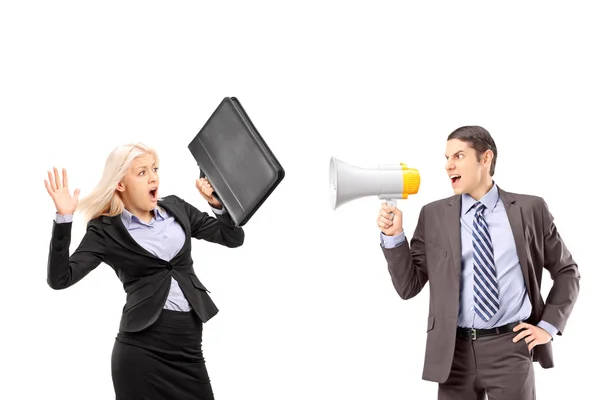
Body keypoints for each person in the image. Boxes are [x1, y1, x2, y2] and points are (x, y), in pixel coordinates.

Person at [377, 126, 580, 400]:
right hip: (453, 352)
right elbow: (408, 287)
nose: (449, 166)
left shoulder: (530, 209)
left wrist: (547, 327)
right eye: (447, 158)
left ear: (486, 158)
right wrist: (394, 237)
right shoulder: (433, 215)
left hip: (510, 347)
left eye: (458, 156)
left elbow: (567, 271)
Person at [45, 142, 244, 400]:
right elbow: (60, 279)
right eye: (142, 172)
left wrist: (218, 205)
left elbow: (232, 237)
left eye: (155, 169)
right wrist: (64, 219)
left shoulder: (177, 208)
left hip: (189, 350)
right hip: (141, 352)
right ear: (120, 184)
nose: (153, 177)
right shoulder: (105, 230)